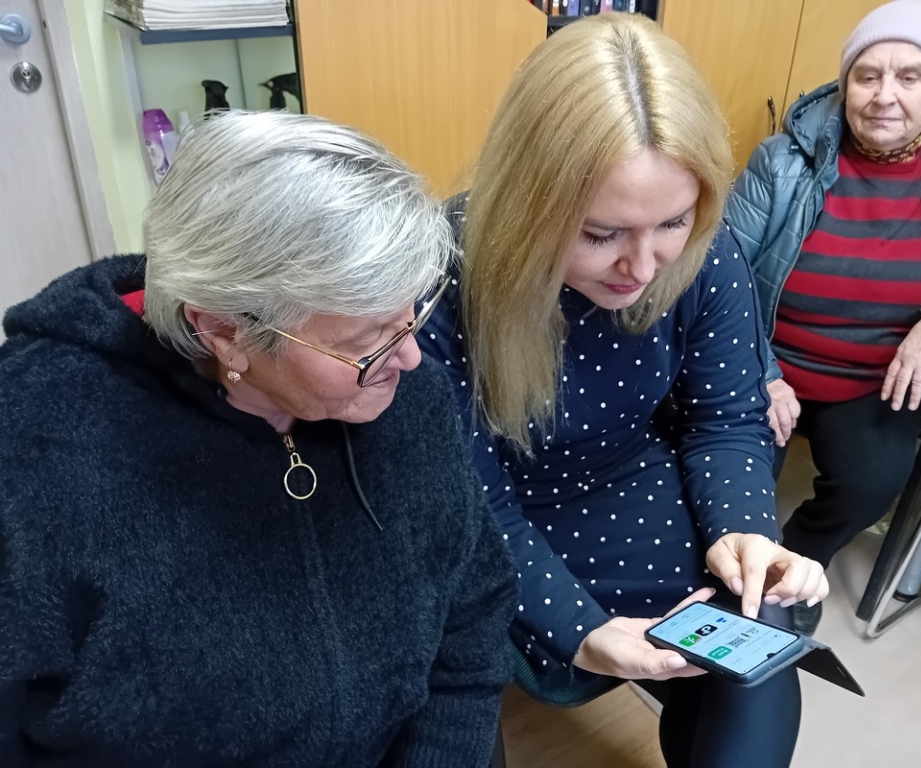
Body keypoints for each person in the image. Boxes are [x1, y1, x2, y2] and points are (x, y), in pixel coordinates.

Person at [0, 111, 517, 767]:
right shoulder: (30, 453)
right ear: (223, 330)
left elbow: (473, 615)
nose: (412, 357)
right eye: (367, 341)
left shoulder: (403, 395)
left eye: (413, 312)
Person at [419, 15, 828, 768]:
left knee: (754, 641)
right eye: (601, 234)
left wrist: (744, 532)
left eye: (672, 222)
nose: (642, 268)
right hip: (495, 515)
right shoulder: (445, 282)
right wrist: (583, 631)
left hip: (629, 483)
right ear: (527, 207)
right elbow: (468, 503)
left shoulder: (706, 252)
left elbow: (724, 419)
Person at [726, 0, 921, 634]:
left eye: (910, 76)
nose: (885, 95)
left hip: (878, 380)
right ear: (845, 84)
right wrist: (761, 368)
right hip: (769, 360)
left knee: (871, 482)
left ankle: (795, 562)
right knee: (732, 474)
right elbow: (718, 269)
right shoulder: (782, 160)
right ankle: (734, 575)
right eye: (867, 75)